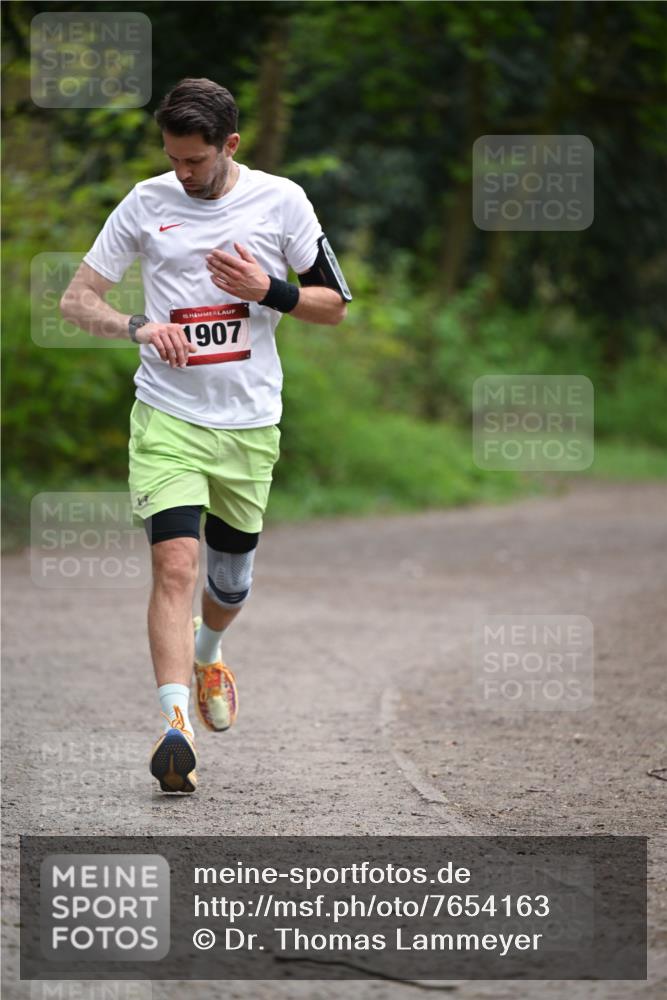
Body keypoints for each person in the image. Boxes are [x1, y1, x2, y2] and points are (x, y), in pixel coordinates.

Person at [60, 77, 351, 794]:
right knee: (176, 568)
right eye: (172, 158)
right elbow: (77, 299)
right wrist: (139, 326)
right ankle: (174, 727)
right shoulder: (145, 202)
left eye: (194, 161)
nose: (182, 173)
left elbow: (333, 306)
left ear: (230, 145)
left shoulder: (281, 201)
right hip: (168, 417)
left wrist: (269, 292)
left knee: (229, 582)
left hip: (249, 424)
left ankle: (210, 650)